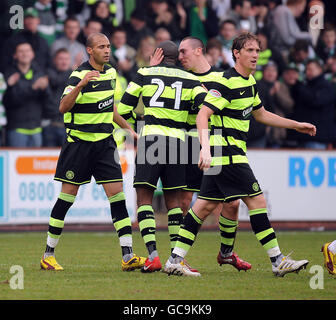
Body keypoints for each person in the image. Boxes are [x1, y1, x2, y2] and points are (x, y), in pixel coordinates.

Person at [163, 32, 316, 277]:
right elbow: (203, 115)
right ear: (237, 53)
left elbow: (262, 114)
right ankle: (277, 261)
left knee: (201, 208)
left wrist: (296, 124)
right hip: (228, 155)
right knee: (257, 202)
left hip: (227, 156)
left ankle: (174, 260)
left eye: (257, 51)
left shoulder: (249, 82)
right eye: (250, 51)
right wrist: (205, 148)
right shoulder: (226, 82)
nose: (255, 55)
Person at [40, 33, 145, 271]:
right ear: (90, 50)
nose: (107, 50)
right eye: (101, 47)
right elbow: (62, 107)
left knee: (118, 196)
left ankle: (128, 255)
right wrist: (80, 86)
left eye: (108, 46)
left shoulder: (110, 73)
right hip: (78, 144)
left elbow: (110, 108)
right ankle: (48, 254)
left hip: (105, 145)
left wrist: (130, 130)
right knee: (67, 198)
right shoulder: (78, 74)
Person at [118, 40, 207, 273]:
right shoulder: (190, 79)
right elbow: (207, 105)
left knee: (144, 200)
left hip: (151, 140)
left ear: (157, 54)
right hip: (178, 143)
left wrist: (133, 131)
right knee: (174, 203)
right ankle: (176, 258)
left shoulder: (144, 73)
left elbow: (123, 109)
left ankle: (153, 256)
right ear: (176, 57)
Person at [169, 36, 251, 271]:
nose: (180, 57)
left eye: (183, 52)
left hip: (216, 145)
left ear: (198, 50)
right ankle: (177, 257)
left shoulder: (221, 78)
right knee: (185, 201)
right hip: (187, 143)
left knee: (232, 203)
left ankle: (226, 252)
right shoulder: (181, 79)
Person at [3, 42, 51, 147]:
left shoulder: (39, 73)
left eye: (27, 50)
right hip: (17, 129)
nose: (25, 54)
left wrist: (45, 89)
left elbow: (47, 101)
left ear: (32, 54)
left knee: (34, 163)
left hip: (37, 128)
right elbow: (10, 101)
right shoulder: (10, 73)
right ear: (15, 55)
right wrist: (33, 88)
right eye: (21, 51)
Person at [288, 59, 335, 149]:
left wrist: (299, 86)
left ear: (320, 70)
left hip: (318, 137)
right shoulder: (305, 85)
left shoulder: (327, 86)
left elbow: (315, 100)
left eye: (311, 69)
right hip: (302, 135)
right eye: (307, 70)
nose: (308, 72)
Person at [43, 48, 72, 147]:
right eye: (61, 59)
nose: (64, 62)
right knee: (48, 159)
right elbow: (56, 81)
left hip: (68, 127)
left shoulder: (75, 76)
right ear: (54, 60)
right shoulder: (48, 73)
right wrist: (72, 71)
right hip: (50, 125)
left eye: (66, 59)